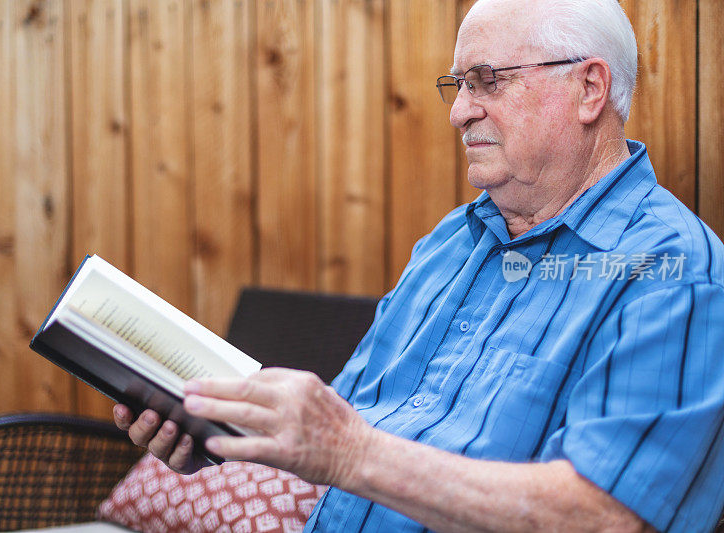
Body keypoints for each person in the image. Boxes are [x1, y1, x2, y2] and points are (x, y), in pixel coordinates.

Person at [114, 0, 724, 530]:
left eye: (487, 81)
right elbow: (353, 430)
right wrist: (223, 442)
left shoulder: (674, 273)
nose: (459, 112)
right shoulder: (449, 246)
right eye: (457, 86)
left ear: (589, 89)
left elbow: (606, 517)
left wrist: (351, 454)